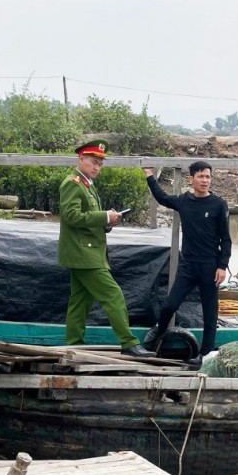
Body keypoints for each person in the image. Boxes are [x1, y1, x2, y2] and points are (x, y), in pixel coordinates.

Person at [58, 139, 155, 358]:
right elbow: (71, 216)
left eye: (100, 164)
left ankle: (74, 345)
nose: (97, 167)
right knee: (114, 296)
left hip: (87, 252)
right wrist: (104, 216)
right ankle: (128, 343)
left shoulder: (87, 186)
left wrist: (108, 221)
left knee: (80, 302)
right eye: (93, 162)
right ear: (80, 159)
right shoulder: (72, 183)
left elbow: (86, 221)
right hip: (84, 254)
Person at [142, 161, 232, 364]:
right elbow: (162, 198)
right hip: (188, 265)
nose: (205, 180)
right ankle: (159, 328)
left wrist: (222, 266)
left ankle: (205, 353)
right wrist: (149, 175)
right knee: (170, 304)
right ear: (191, 179)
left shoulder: (219, 204)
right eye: (200, 176)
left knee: (210, 313)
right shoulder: (184, 201)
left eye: (208, 176)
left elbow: (225, 239)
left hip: (210, 266)